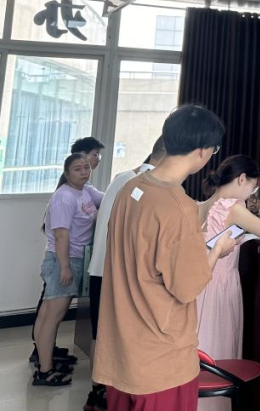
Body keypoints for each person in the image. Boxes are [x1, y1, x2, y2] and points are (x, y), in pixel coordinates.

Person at [93, 105, 238, 411]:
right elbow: (187, 287)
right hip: (160, 362)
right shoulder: (177, 206)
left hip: (121, 353)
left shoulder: (131, 188)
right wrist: (216, 251)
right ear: (203, 151)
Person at [196, 155, 260, 411]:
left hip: (200, 284)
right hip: (221, 287)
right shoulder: (233, 207)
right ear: (242, 179)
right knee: (219, 351)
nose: (251, 194)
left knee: (201, 348)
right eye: (253, 188)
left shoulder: (203, 204)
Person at [84, 137, 167, 411]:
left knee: (100, 334)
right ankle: (106, 393)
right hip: (116, 272)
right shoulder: (142, 183)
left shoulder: (124, 177)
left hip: (102, 269)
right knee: (111, 336)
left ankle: (98, 392)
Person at [29, 136, 105, 367]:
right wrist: (64, 267)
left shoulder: (85, 191)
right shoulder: (64, 197)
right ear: (67, 172)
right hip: (64, 260)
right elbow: (61, 235)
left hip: (72, 259)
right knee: (52, 316)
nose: (84, 172)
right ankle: (45, 369)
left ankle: (45, 362)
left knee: (48, 314)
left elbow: (110, 199)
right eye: (77, 169)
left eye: (86, 167)